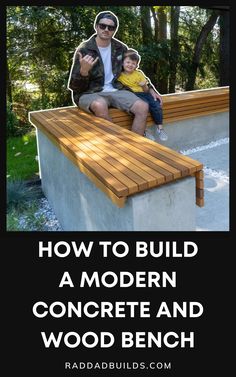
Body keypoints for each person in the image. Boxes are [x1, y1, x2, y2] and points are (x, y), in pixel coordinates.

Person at [68, 11, 160, 136]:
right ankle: (119, 145)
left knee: (142, 107)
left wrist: (150, 89)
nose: (106, 29)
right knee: (100, 106)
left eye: (110, 27)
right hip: (90, 92)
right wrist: (84, 71)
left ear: (114, 30)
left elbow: (132, 71)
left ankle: (136, 146)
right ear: (96, 27)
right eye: (102, 26)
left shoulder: (120, 48)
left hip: (116, 89)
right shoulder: (85, 49)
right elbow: (75, 88)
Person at [117, 50, 168, 141]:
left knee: (156, 104)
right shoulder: (120, 76)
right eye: (128, 62)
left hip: (143, 93)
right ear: (122, 63)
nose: (130, 65)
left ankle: (160, 128)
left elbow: (146, 89)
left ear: (136, 65)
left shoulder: (139, 74)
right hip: (133, 95)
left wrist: (144, 85)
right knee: (141, 108)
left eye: (133, 63)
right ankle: (144, 130)